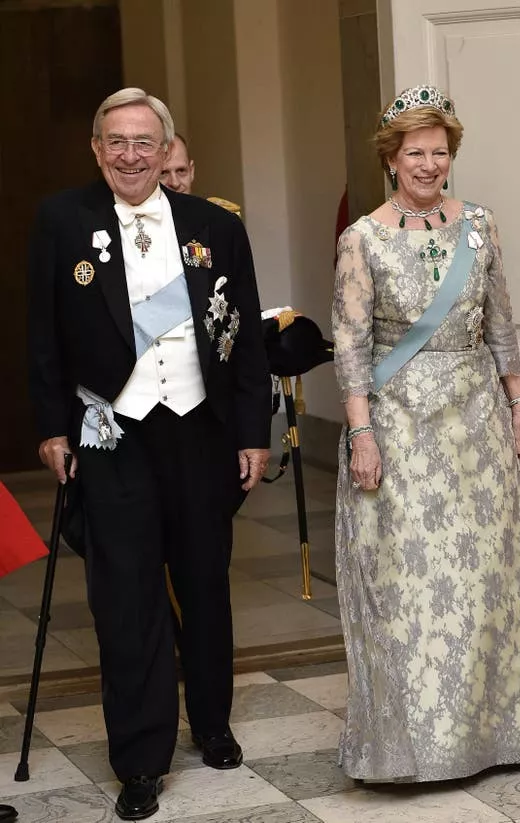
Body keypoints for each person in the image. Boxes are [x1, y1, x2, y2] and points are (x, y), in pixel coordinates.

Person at [28, 87, 271, 820]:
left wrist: (253, 431)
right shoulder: (62, 221)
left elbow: (249, 339)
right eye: (117, 141)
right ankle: (139, 757)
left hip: (199, 431)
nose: (131, 155)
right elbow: (41, 332)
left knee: (204, 585)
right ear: (97, 150)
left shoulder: (212, 225)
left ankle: (214, 720)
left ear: (168, 152)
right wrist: (50, 427)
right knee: (127, 601)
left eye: (145, 143)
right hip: (114, 435)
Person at [332, 84, 520, 783]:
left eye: (440, 151)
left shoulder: (480, 226)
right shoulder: (361, 239)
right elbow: (351, 346)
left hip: (476, 420)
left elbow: (501, 322)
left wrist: (518, 403)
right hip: (400, 427)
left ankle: (494, 736)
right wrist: (362, 432)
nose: (429, 164)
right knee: (412, 582)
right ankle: (413, 747)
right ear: (391, 159)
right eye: (414, 152)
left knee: (484, 576)